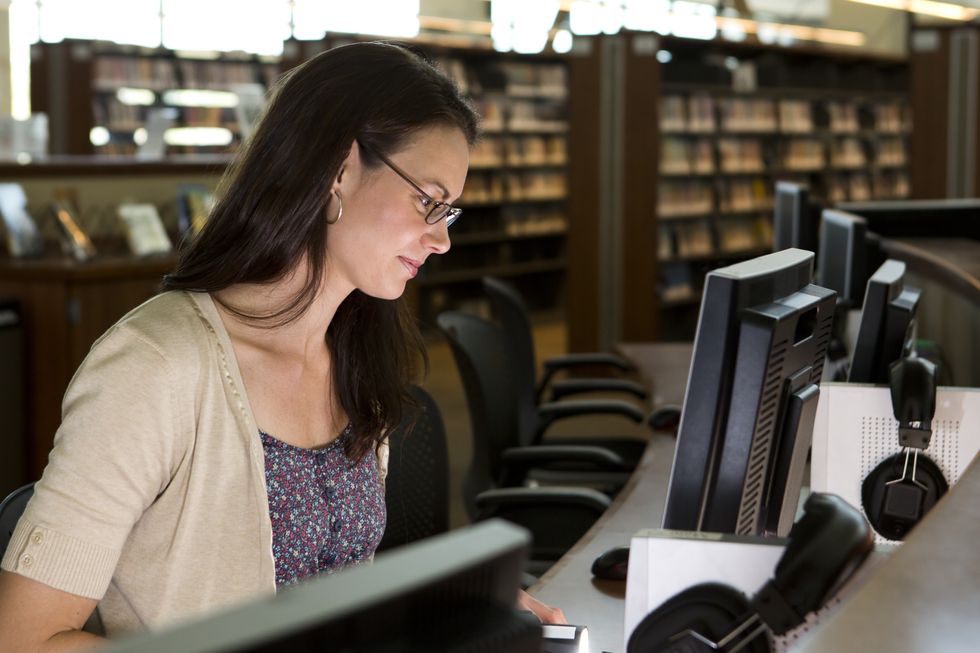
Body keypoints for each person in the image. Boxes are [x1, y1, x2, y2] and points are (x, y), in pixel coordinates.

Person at [0, 41, 564, 651]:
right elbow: (23, 639)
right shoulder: (154, 366)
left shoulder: (353, 356)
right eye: (428, 201)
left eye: (447, 213)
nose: (441, 240)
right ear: (340, 170)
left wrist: (441, 606)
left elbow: (323, 590)